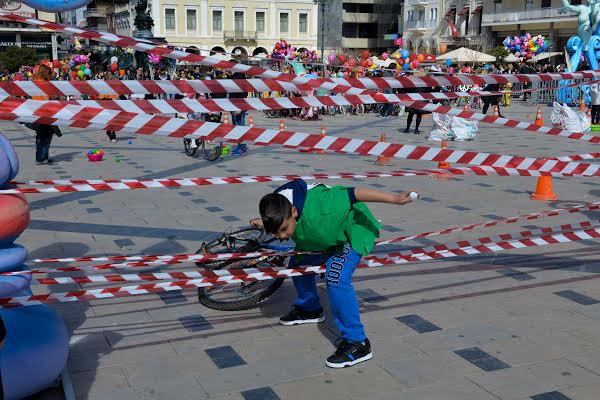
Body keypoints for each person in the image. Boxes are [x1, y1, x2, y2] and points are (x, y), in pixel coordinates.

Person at [250, 179, 420, 368]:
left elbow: (354, 193)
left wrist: (395, 198)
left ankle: (358, 343)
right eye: (276, 232)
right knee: (297, 265)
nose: (281, 237)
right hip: (323, 232)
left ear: (294, 212)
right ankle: (310, 309)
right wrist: (267, 224)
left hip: (351, 231)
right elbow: (279, 222)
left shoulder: (324, 204)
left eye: (283, 230)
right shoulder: (279, 205)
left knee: (336, 278)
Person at [29, 64, 61, 165]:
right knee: (45, 136)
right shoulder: (45, 84)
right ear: (46, 73)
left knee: (41, 136)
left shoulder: (34, 82)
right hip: (45, 112)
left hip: (37, 112)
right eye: (49, 73)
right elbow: (50, 97)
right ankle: (41, 158)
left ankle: (43, 157)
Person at [228, 71, 249, 155]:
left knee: (240, 127)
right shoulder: (236, 76)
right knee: (237, 126)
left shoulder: (238, 77)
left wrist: (238, 107)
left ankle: (242, 147)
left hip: (237, 106)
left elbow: (242, 93)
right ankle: (240, 146)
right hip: (236, 105)